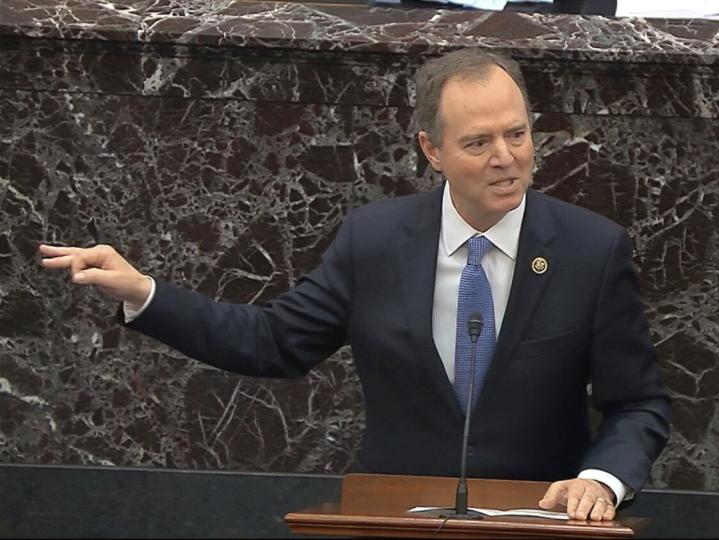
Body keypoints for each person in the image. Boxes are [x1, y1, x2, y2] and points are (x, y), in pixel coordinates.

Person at [39, 48, 670, 522]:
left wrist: (603, 478)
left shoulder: (591, 249)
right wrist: (142, 292)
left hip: (537, 522)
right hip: (396, 519)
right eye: (478, 142)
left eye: (518, 133)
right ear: (432, 149)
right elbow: (273, 341)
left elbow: (638, 402)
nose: (505, 157)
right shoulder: (374, 242)